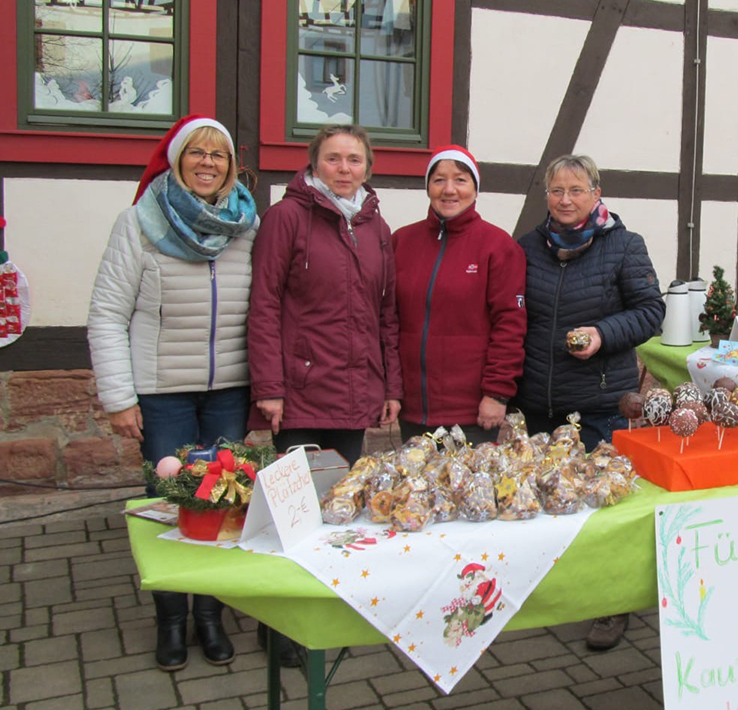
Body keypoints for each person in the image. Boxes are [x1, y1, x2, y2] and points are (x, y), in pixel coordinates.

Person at [88, 115, 257, 672]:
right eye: (196, 152)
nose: (207, 162)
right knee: (173, 502)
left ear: (231, 167)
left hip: (227, 390)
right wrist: (119, 398)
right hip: (162, 394)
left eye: (218, 155)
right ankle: (170, 619)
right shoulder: (139, 223)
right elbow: (108, 315)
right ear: (177, 158)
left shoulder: (246, 226)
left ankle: (209, 616)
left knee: (225, 504)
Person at [514, 153, 665, 651]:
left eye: (576, 190)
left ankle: (611, 605)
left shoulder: (624, 246)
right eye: (556, 191)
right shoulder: (528, 247)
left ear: (596, 194)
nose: (565, 200)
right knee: (545, 497)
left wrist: (602, 332)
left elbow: (650, 312)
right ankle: (555, 590)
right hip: (539, 400)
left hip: (599, 401)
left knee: (604, 508)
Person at [247, 123, 401, 467]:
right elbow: (264, 306)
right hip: (300, 393)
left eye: (354, 160)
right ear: (314, 166)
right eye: (333, 159)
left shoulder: (377, 228)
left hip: (354, 392)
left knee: (341, 499)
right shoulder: (286, 218)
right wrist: (269, 388)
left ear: (367, 169)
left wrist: (391, 388)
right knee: (298, 503)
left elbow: (386, 315)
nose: (344, 168)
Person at [392, 145, 526, 444]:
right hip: (413, 410)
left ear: (475, 190)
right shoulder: (402, 241)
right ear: (428, 187)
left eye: (461, 180)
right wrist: (390, 391)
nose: (449, 189)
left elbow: (510, 326)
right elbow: (387, 321)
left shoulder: (498, 246)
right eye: (439, 179)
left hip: (472, 414)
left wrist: (497, 394)